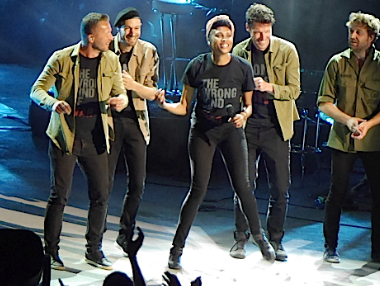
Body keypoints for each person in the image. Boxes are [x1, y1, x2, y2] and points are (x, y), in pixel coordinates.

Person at [157, 15, 275, 269]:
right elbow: (184, 107)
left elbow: (249, 106)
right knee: (198, 189)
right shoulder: (197, 66)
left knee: (244, 187)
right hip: (203, 130)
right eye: (218, 35)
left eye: (228, 35)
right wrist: (164, 105)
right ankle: (176, 249)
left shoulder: (243, 67)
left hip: (230, 130)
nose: (224, 40)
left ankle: (259, 238)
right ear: (209, 38)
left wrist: (243, 116)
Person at [30, 12, 128, 270]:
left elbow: (121, 93)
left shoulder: (111, 61)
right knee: (59, 196)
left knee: (101, 195)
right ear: (90, 36)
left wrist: (121, 101)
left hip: (96, 136)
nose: (111, 36)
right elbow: (37, 89)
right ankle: (50, 251)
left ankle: (93, 250)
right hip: (66, 136)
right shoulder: (62, 58)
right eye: (107, 32)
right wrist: (53, 103)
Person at [317, 11, 380, 266]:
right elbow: (324, 102)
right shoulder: (337, 62)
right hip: (343, 138)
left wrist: (369, 124)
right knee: (337, 193)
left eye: (359, 33)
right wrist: (348, 120)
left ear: (372, 37)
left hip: (373, 139)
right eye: (351, 31)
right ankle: (330, 246)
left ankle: (379, 249)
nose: (353, 37)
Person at [231, 3, 300, 262]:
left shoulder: (287, 50)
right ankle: (240, 238)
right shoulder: (240, 51)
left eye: (267, 32)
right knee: (244, 185)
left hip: (276, 127)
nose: (262, 38)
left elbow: (294, 90)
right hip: (247, 127)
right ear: (248, 28)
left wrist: (270, 87)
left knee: (280, 187)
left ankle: (276, 239)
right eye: (257, 32)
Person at [108, 7, 160, 254]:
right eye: (128, 28)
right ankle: (95, 238)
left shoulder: (148, 51)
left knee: (137, 183)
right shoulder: (106, 49)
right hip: (109, 122)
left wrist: (133, 85)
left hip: (137, 122)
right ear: (119, 29)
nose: (133, 33)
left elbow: (154, 93)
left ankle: (125, 233)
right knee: (103, 183)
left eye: (137, 28)